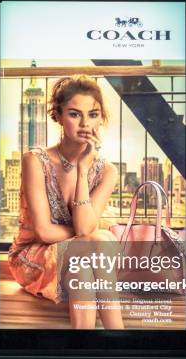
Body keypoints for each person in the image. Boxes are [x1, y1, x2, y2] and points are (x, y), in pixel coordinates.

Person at [8, 75, 124, 330]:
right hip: (32, 256)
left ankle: (90, 350)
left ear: (101, 118)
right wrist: (92, 237)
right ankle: (120, 340)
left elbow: (84, 230)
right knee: (99, 241)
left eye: (93, 114)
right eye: (74, 114)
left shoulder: (107, 171)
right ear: (59, 117)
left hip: (80, 258)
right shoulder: (35, 161)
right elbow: (45, 232)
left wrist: (83, 171)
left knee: (83, 261)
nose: (85, 123)